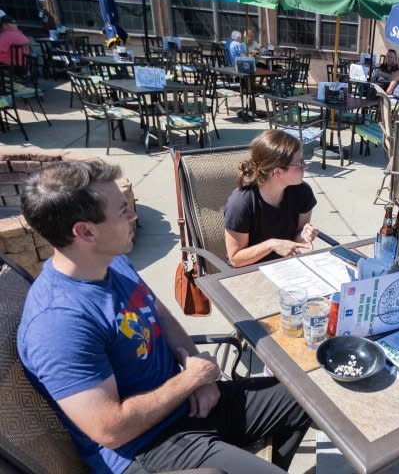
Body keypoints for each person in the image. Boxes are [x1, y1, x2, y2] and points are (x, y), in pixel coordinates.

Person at [17, 159, 312, 474]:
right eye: (122, 211)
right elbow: (111, 430)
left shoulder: (111, 262)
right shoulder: (58, 324)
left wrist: (196, 371)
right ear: (85, 232)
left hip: (189, 404)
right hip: (147, 446)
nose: (132, 216)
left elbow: (159, 314)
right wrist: (192, 379)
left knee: (308, 396)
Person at [224, 130, 320, 267]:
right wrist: (271, 245)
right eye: (299, 163)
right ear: (278, 171)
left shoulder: (302, 192)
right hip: (248, 273)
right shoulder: (241, 204)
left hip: (286, 266)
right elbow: (235, 259)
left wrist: (304, 236)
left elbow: (297, 241)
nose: (305, 166)